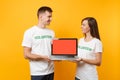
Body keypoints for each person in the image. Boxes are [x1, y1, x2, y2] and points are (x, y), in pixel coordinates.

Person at [22, 6, 55, 80]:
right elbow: (26, 54)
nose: (51, 19)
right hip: (37, 73)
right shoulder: (29, 32)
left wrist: (60, 55)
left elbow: (53, 51)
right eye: (49, 17)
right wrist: (42, 57)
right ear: (41, 17)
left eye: (51, 17)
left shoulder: (51, 32)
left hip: (51, 71)